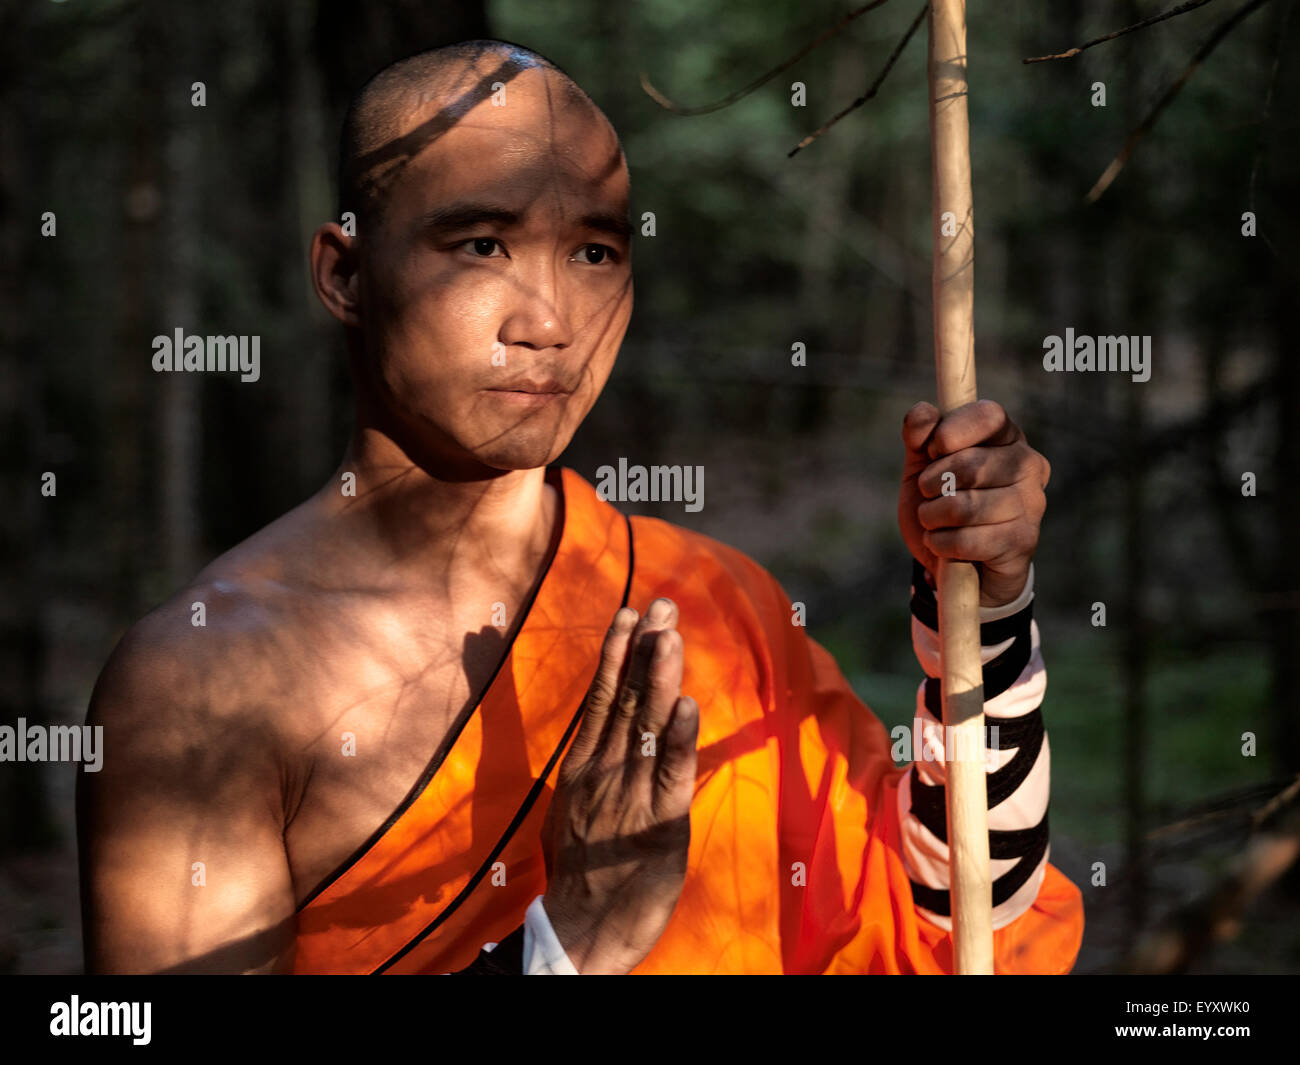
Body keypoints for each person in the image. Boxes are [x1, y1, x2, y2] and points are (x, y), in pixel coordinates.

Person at [77, 39, 1082, 975]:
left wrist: (982, 613)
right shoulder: (202, 683)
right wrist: (566, 944)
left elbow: (953, 931)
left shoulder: (711, 603)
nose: (550, 321)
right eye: (480, 245)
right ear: (344, 274)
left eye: (593, 254)